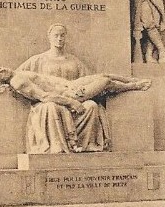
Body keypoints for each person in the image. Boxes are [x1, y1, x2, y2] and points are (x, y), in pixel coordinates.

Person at [16, 24, 109, 153]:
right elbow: (17, 75)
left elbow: (88, 79)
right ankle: (56, 146)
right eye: (56, 35)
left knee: (91, 106)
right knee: (51, 107)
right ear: (49, 37)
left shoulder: (74, 61)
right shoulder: (37, 60)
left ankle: (86, 144)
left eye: (62, 35)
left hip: (73, 98)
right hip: (48, 101)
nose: (59, 39)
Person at [0, 67, 150, 114]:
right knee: (105, 81)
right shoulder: (18, 81)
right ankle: (134, 86)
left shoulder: (18, 73)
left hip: (72, 84)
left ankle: (132, 80)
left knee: (104, 74)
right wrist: (71, 101)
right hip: (71, 94)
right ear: (1, 78)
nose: (2, 68)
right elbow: (44, 96)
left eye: (0, 67)